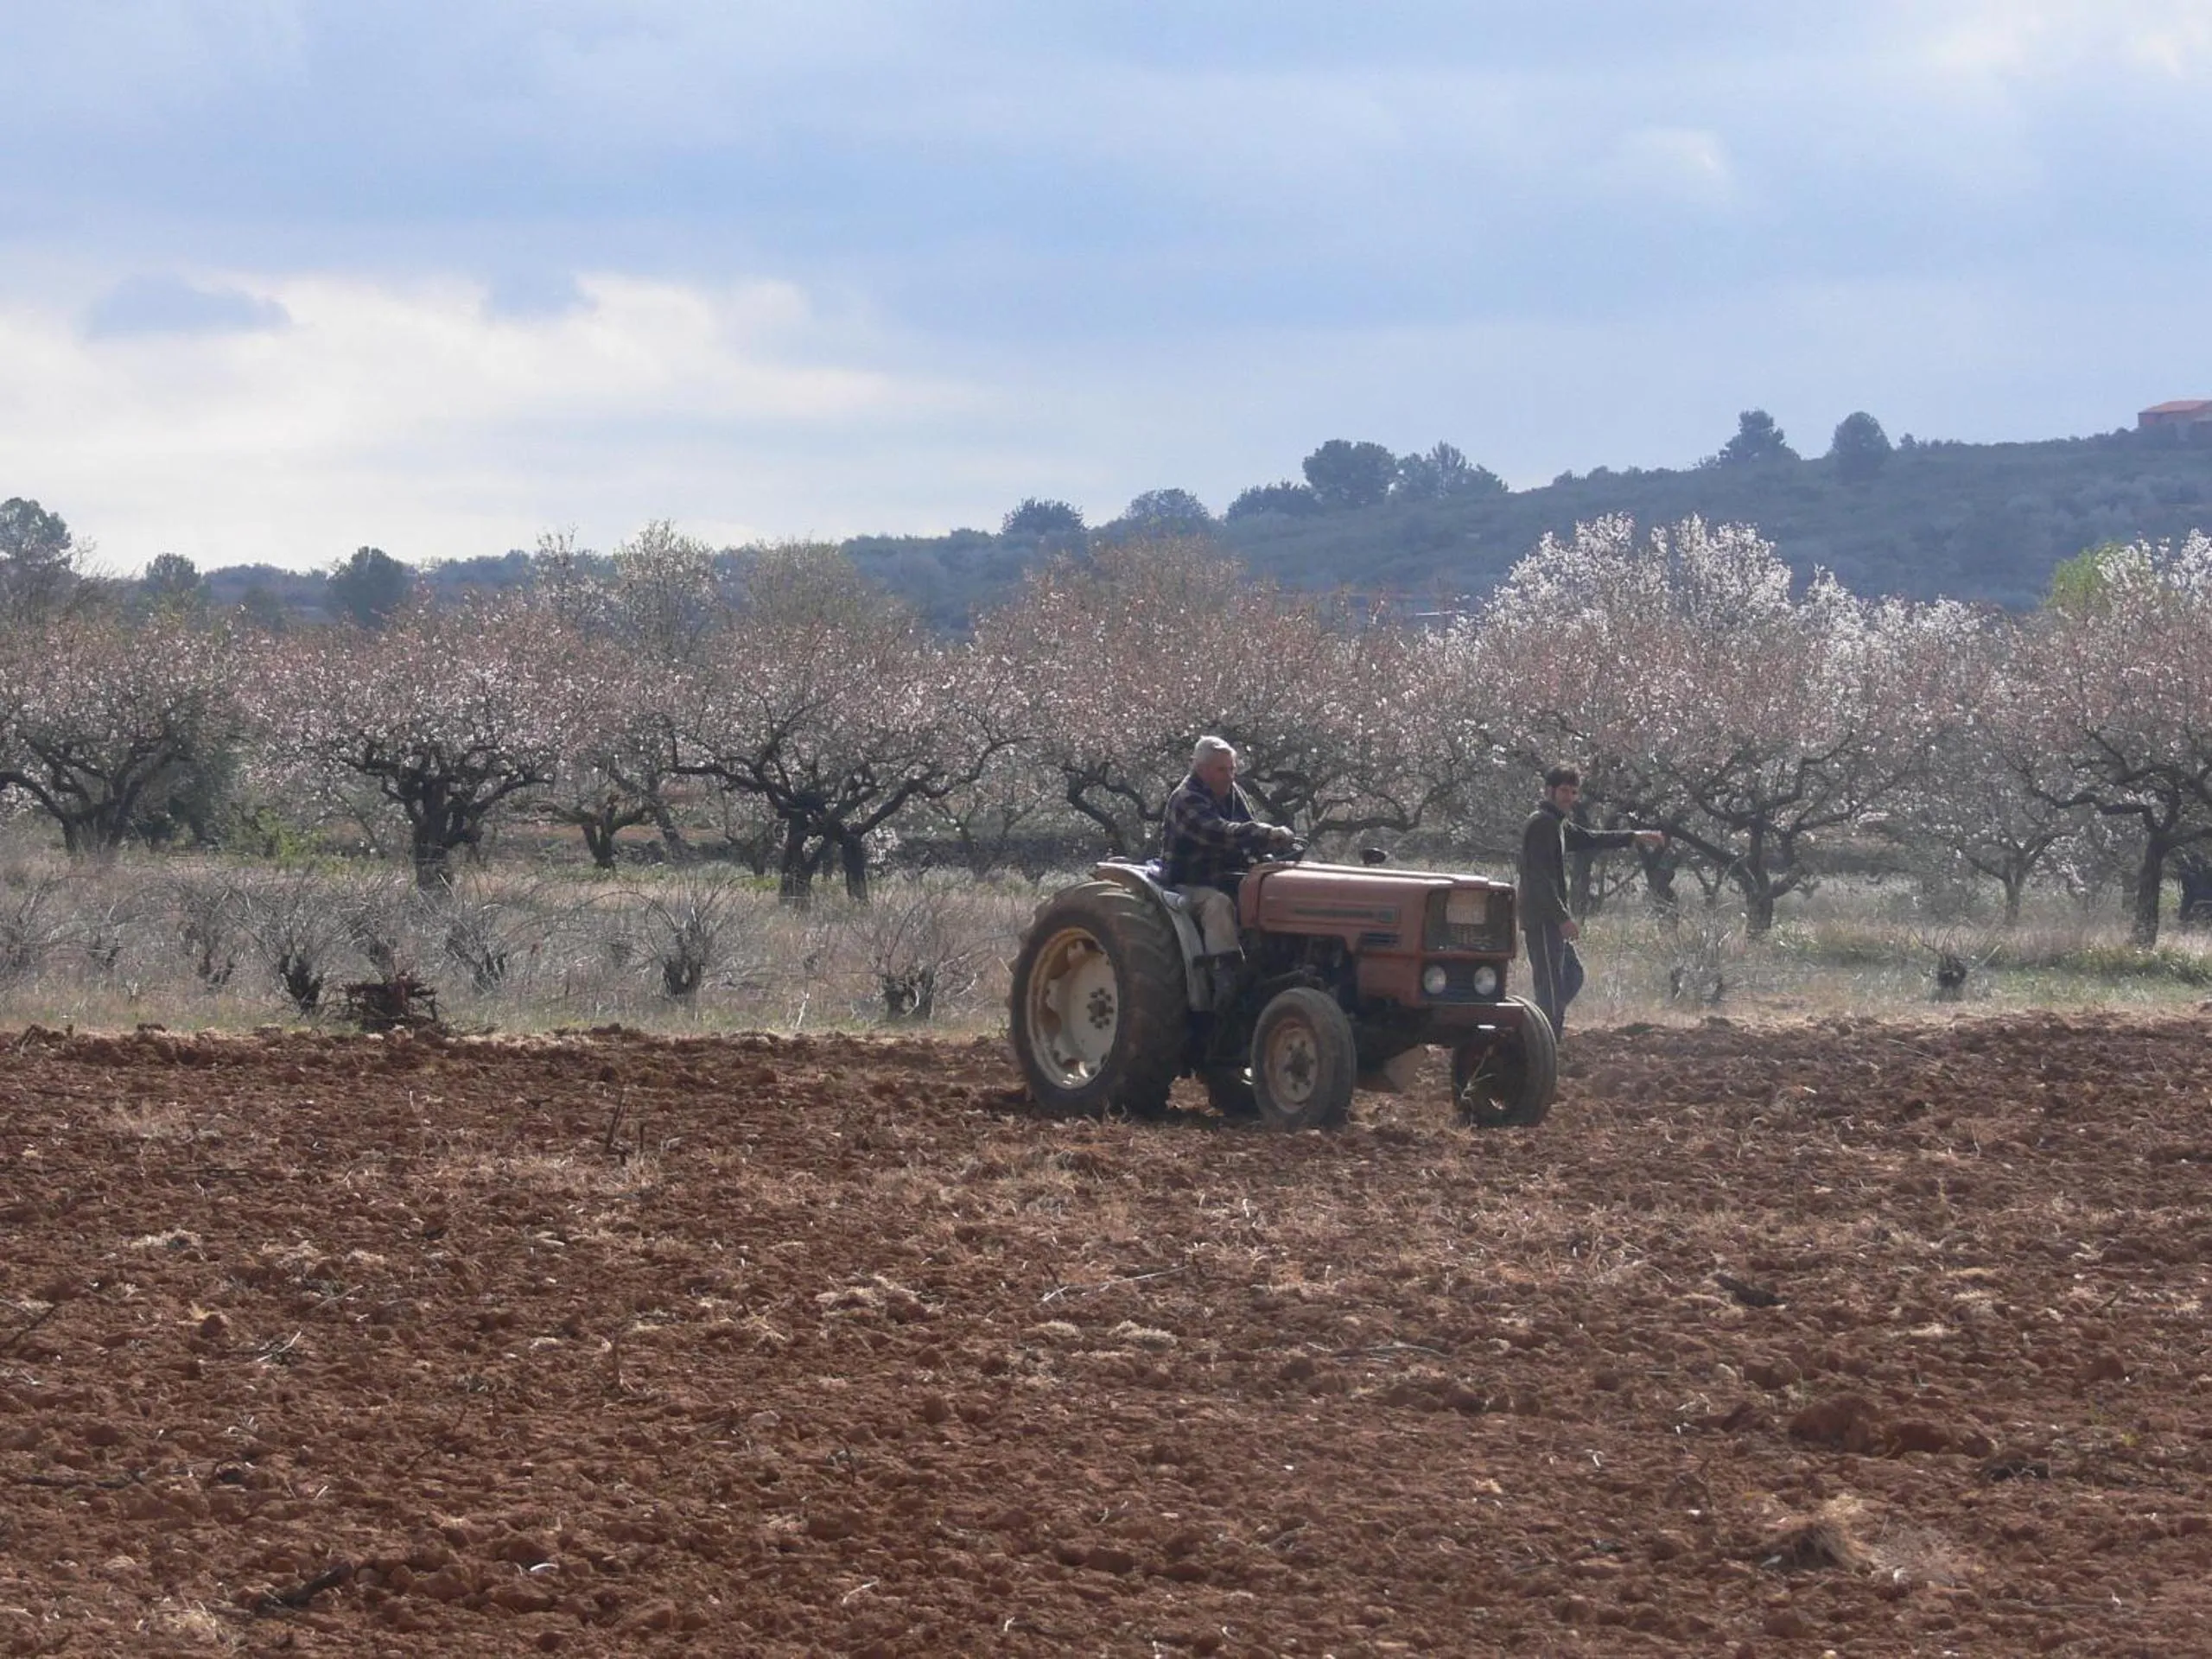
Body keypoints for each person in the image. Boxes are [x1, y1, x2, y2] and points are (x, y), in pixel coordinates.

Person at [1517, 765, 1664, 1040]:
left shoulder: (1558, 824)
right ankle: (1542, 1048)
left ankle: (1537, 1034)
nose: (1569, 797)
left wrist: (1633, 836)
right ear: (1549, 791)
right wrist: (1562, 918)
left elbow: (1590, 837)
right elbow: (1538, 878)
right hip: (1543, 919)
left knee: (1572, 975)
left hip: (1551, 918)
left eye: (1573, 792)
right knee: (1550, 989)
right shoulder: (1541, 824)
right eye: (1564, 791)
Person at [1161, 736, 1297, 981]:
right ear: (1201, 769)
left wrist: (1272, 846)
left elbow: (1247, 829)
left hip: (1228, 877)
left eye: (1232, 768)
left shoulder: (1232, 792)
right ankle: (1227, 977)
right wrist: (1265, 832)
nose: (1229, 775)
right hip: (1191, 883)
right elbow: (1219, 831)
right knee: (1218, 905)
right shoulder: (1186, 798)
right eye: (1221, 769)